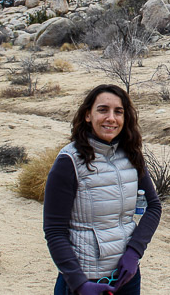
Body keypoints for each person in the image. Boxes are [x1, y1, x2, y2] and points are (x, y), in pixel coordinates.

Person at [44, 84, 162, 295]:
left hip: (126, 278)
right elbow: (54, 230)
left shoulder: (132, 155)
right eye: (102, 110)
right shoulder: (69, 161)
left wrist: (134, 252)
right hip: (83, 280)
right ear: (88, 115)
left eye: (118, 112)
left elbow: (154, 207)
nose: (111, 118)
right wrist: (79, 283)